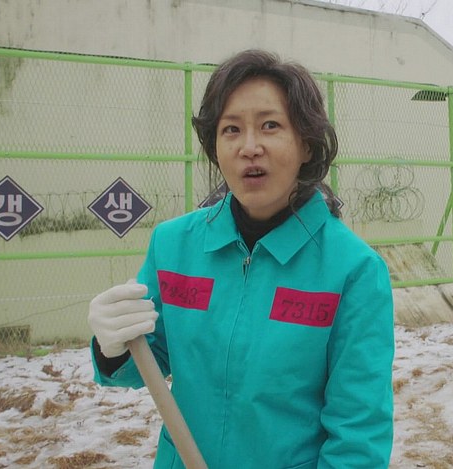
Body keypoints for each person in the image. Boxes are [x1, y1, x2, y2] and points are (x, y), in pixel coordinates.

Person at [87, 49, 395, 469]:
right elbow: (147, 363)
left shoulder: (353, 271)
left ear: (306, 143)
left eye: (270, 125)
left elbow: (358, 432)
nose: (250, 147)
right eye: (231, 129)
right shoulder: (173, 245)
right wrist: (114, 347)